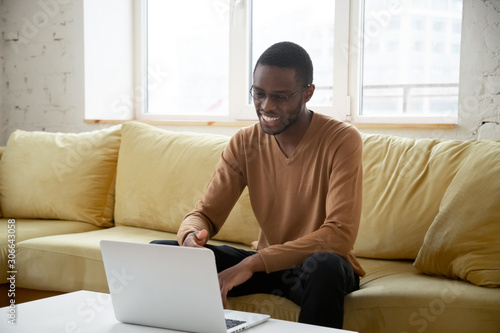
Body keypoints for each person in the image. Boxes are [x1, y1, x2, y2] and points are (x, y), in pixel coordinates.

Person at [152, 41, 365, 329]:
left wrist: (251, 264)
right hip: (267, 266)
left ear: (308, 93)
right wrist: (189, 238)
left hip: (315, 269)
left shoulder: (342, 140)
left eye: (280, 96)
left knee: (325, 265)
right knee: (160, 253)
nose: (266, 106)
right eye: (259, 94)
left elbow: (339, 236)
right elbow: (204, 214)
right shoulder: (245, 142)